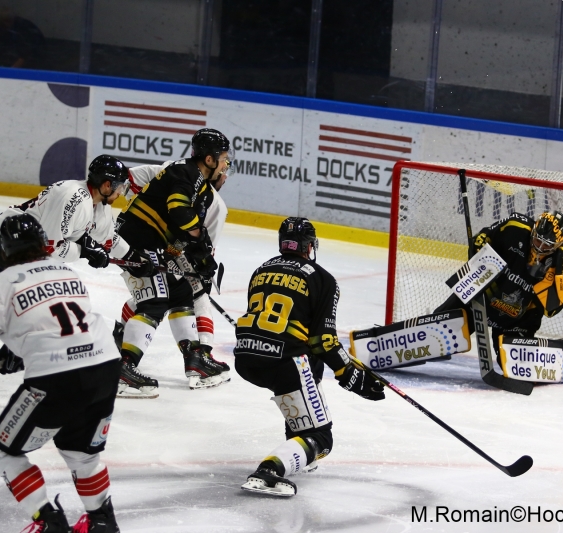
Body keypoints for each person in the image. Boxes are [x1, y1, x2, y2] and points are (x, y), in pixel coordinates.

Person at [0, 214, 121, 532]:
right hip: (105, 367)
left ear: (4, 249)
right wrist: (16, 350)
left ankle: (49, 523)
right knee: (81, 453)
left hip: (57, 376)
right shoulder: (66, 271)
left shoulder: (2, 284)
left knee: (2, 451)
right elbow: (56, 320)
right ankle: (102, 522)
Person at [0, 155, 145, 382]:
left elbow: (108, 239)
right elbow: (50, 248)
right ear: (106, 185)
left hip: (25, 250)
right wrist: (84, 251)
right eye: (119, 187)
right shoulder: (73, 197)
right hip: (6, 242)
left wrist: (134, 258)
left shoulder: (99, 206)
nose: (121, 192)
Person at [234, 217, 385, 497]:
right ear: (309, 246)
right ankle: (270, 470)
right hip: (284, 362)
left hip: (246, 357)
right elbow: (324, 341)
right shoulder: (322, 278)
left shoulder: (261, 270)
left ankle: (295, 439)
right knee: (321, 438)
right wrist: (352, 376)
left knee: (308, 365)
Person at [114, 128, 232, 397]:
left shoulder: (198, 181)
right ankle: (124, 368)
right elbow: (178, 210)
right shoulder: (187, 173)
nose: (226, 164)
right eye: (223, 158)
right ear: (210, 159)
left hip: (149, 241)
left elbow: (181, 226)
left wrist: (199, 254)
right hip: (137, 241)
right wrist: (200, 240)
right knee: (154, 300)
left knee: (180, 293)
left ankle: (194, 360)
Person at [435, 210, 563, 364]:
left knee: (514, 364)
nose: (540, 247)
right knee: (436, 336)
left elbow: (550, 310)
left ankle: (523, 352)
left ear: (558, 244)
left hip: (517, 319)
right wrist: (479, 243)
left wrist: (553, 288)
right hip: (479, 299)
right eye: (538, 240)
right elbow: (484, 237)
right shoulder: (515, 227)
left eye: (547, 245)